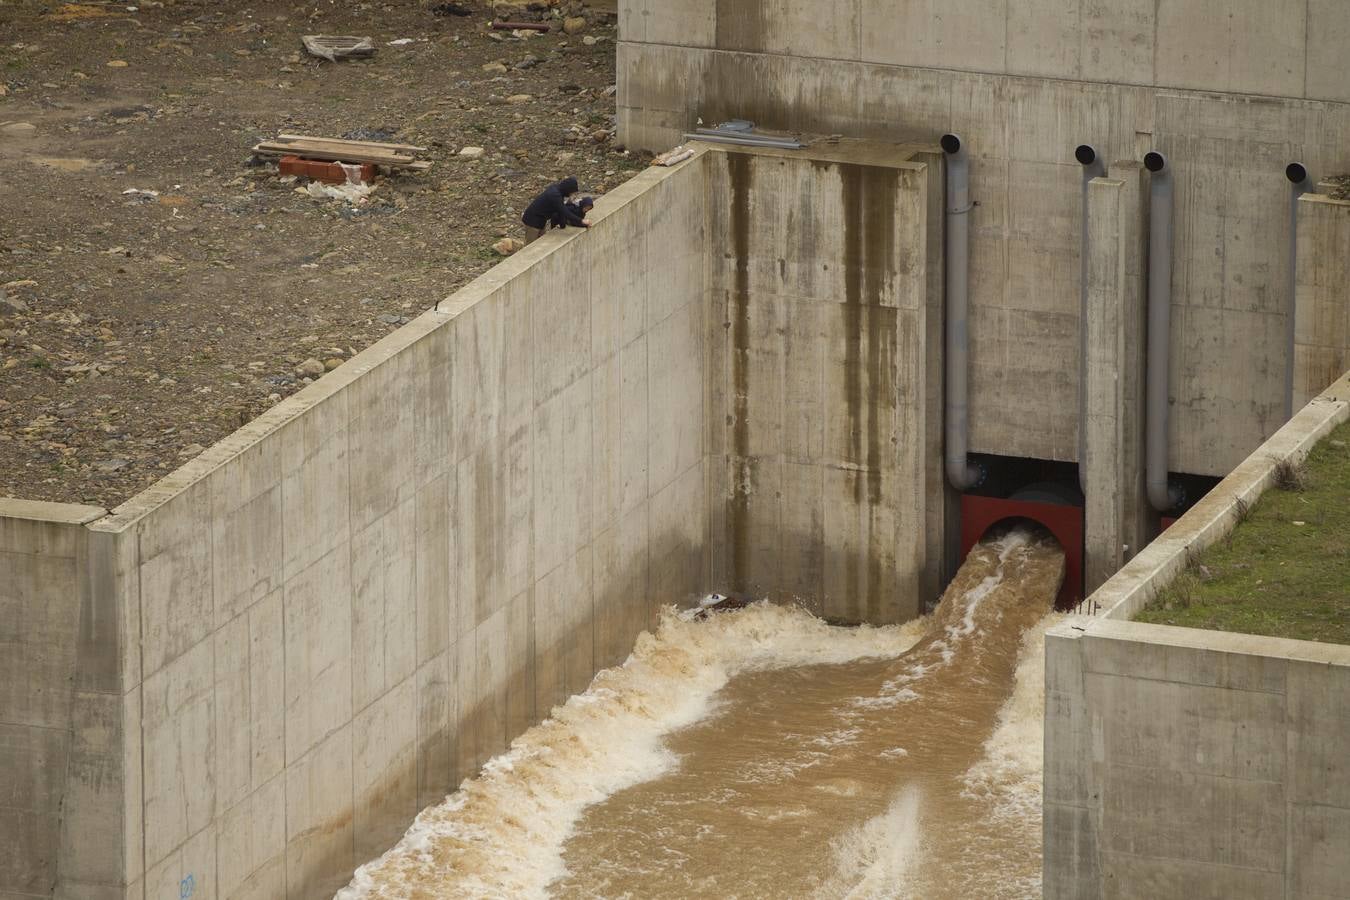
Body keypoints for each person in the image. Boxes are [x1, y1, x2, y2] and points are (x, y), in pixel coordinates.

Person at [521, 176, 590, 243]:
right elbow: (564, 211)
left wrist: (562, 225)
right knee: (530, 245)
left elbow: (560, 210)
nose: (571, 194)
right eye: (572, 193)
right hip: (532, 221)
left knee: (541, 242)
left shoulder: (557, 190)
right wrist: (581, 221)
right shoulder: (555, 195)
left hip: (541, 221)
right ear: (568, 189)